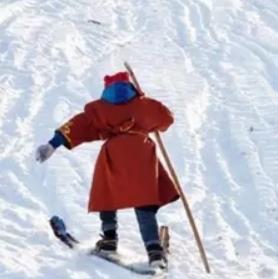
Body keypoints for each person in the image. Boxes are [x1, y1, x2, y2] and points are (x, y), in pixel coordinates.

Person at [35, 71, 179, 268]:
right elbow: (166, 119)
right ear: (130, 87)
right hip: (142, 154)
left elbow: (77, 125)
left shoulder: (100, 109)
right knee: (144, 199)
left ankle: (109, 241)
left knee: (107, 194)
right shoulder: (145, 105)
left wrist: (52, 145)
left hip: (114, 154)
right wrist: (145, 104)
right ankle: (154, 251)